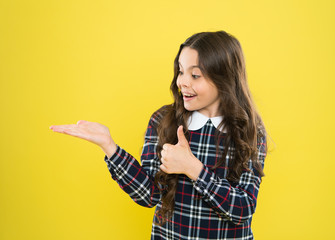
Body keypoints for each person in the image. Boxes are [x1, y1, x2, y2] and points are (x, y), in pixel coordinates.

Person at [50, 30, 268, 239]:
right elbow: (149, 195)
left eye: (195, 75)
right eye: (181, 71)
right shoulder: (164, 120)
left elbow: (242, 209)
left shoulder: (249, 131)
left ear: (224, 79)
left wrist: (192, 168)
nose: (182, 81)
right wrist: (110, 147)